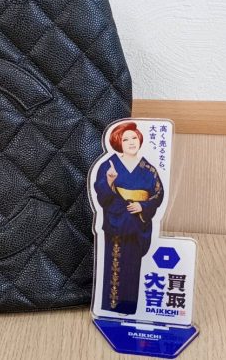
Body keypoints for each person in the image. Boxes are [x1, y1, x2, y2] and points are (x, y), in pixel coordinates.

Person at [94, 121, 164, 314]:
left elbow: (158, 194)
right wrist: (109, 181)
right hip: (117, 221)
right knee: (114, 265)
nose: (131, 142)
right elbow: (101, 193)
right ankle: (111, 307)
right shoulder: (109, 165)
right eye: (125, 139)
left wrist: (143, 206)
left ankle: (129, 308)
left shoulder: (148, 169)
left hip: (137, 223)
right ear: (118, 142)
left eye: (134, 137)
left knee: (132, 267)